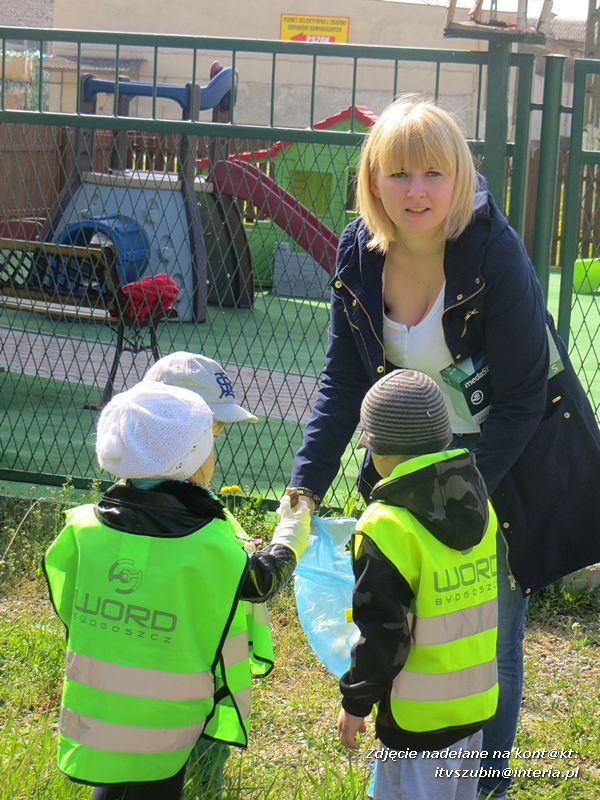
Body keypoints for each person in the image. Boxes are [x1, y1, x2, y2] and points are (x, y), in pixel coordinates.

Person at [287, 98, 600, 799]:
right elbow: (343, 381)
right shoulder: (355, 253)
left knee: (491, 629)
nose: (417, 190)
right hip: (407, 459)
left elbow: (520, 400)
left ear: (459, 177)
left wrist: (452, 498)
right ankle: (413, 767)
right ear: (373, 182)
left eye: (433, 172)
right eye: (398, 174)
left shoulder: (494, 252)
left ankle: (484, 781)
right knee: (406, 617)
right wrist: (303, 486)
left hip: (504, 457)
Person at [44, 381, 311, 800]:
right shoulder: (209, 543)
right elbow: (261, 582)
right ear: (189, 461)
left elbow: (69, 603)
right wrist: (292, 530)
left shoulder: (80, 527)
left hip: (97, 710)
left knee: (114, 786)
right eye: (208, 444)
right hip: (166, 721)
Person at [337, 369, 498, 800]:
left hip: (417, 721)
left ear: (382, 451)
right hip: (474, 704)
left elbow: (383, 636)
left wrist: (355, 702)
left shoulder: (386, 525)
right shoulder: (482, 502)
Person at [143, 351, 269, 798]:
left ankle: (205, 783)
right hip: (183, 671)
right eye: (210, 430)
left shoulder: (177, 495)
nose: (214, 442)